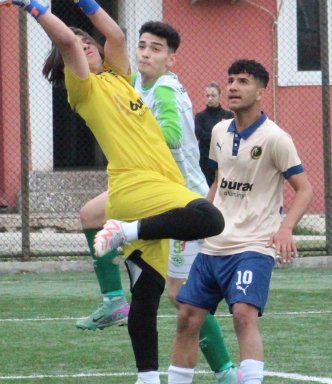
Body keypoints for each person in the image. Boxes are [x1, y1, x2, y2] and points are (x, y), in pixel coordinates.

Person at [0, 0, 224, 384]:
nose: (85, 43)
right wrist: (33, 6)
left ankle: (147, 378)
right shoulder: (86, 89)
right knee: (210, 218)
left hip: (158, 187)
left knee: (147, 297)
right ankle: (126, 232)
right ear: (67, 64)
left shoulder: (119, 78)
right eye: (76, 45)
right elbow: (66, 42)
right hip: (138, 188)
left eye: (85, 38)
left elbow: (114, 35)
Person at [74, 21, 237, 381]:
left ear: (171, 60)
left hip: (180, 198)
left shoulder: (163, 89)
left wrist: (135, 131)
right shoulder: (135, 84)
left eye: (156, 48)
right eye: (143, 46)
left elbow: (175, 135)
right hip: (148, 188)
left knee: (180, 295)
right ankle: (115, 301)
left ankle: (225, 369)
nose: (146, 53)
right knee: (90, 214)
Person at [163, 59, 314, 384]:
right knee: (187, 317)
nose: (232, 87)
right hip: (214, 245)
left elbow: (304, 188)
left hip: (254, 245)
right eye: (230, 80)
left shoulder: (276, 138)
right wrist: (198, 219)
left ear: (261, 91)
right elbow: (220, 180)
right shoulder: (218, 131)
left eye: (243, 81)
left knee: (243, 315)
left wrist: (286, 228)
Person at [195, 82, 234, 186]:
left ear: (220, 96)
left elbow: (231, 135)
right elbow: (199, 134)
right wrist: (218, 137)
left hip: (223, 158)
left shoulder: (228, 115)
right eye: (207, 96)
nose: (210, 98)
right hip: (205, 159)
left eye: (213, 95)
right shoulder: (200, 117)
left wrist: (211, 136)